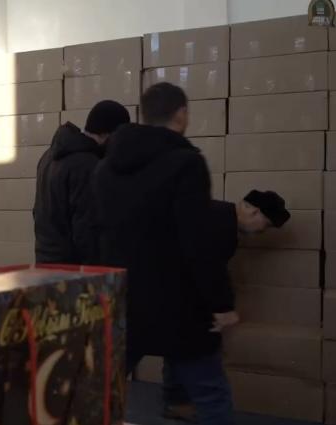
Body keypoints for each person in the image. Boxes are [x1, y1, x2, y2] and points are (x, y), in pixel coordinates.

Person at [92, 82, 237, 425]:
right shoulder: (186, 164)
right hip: (179, 301)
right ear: (181, 114)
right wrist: (222, 303)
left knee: (101, 392)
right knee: (210, 394)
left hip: (123, 297)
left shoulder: (105, 169)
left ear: (143, 114)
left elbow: (99, 235)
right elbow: (198, 242)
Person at [164, 190, 291, 422]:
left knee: (177, 343)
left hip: (164, 287)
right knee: (204, 358)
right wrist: (223, 309)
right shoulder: (221, 226)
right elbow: (209, 270)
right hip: (164, 287)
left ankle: (177, 401)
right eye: (266, 225)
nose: (262, 232)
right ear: (254, 211)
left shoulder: (217, 214)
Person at [33, 100, 130, 264]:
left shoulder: (49, 156)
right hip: (73, 267)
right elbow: (87, 229)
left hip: (46, 260)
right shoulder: (87, 165)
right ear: (108, 135)